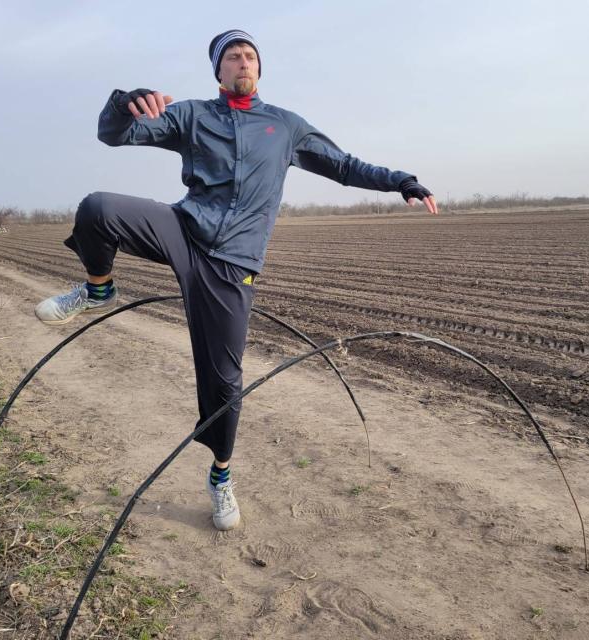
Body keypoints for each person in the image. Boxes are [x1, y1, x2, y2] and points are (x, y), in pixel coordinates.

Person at [34, 29, 438, 531]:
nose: (243, 61)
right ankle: (99, 288)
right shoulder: (192, 115)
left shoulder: (285, 127)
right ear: (218, 71)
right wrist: (124, 102)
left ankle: (220, 477)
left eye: (250, 55)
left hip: (233, 264)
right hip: (184, 230)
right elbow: (114, 135)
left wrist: (402, 181)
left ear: (259, 69)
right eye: (232, 56)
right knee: (98, 208)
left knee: (223, 381)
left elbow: (344, 165)